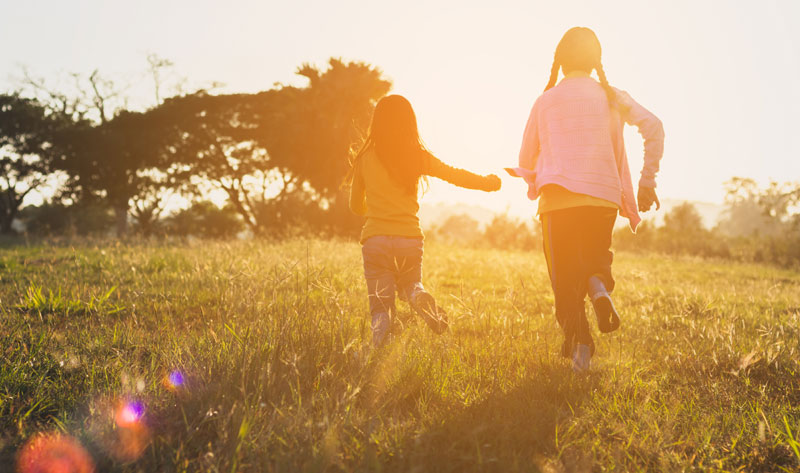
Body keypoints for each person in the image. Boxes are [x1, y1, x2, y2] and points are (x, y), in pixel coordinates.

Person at [508, 27, 664, 372]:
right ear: (596, 62)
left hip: (558, 200)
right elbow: (654, 126)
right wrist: (646, 179)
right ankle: (597, 287)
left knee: (564, 283)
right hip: (603, 197)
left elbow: (526, 154)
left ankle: (581, 350)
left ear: (559, 61)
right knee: (594, 258)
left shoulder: (545, 100)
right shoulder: (611, 96)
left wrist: (534, 182)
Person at [349, 94, 502, 347]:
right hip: (409, 239)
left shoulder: (364, 158)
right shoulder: (417, 157)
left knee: (381, 307)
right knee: (411, 283)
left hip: (376, 239)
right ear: (410, 123)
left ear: (377, 123)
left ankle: (375, 354)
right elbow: (454, 175)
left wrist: (376, 208)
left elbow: (356, 206)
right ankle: (418, 294)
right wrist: (487, 183)